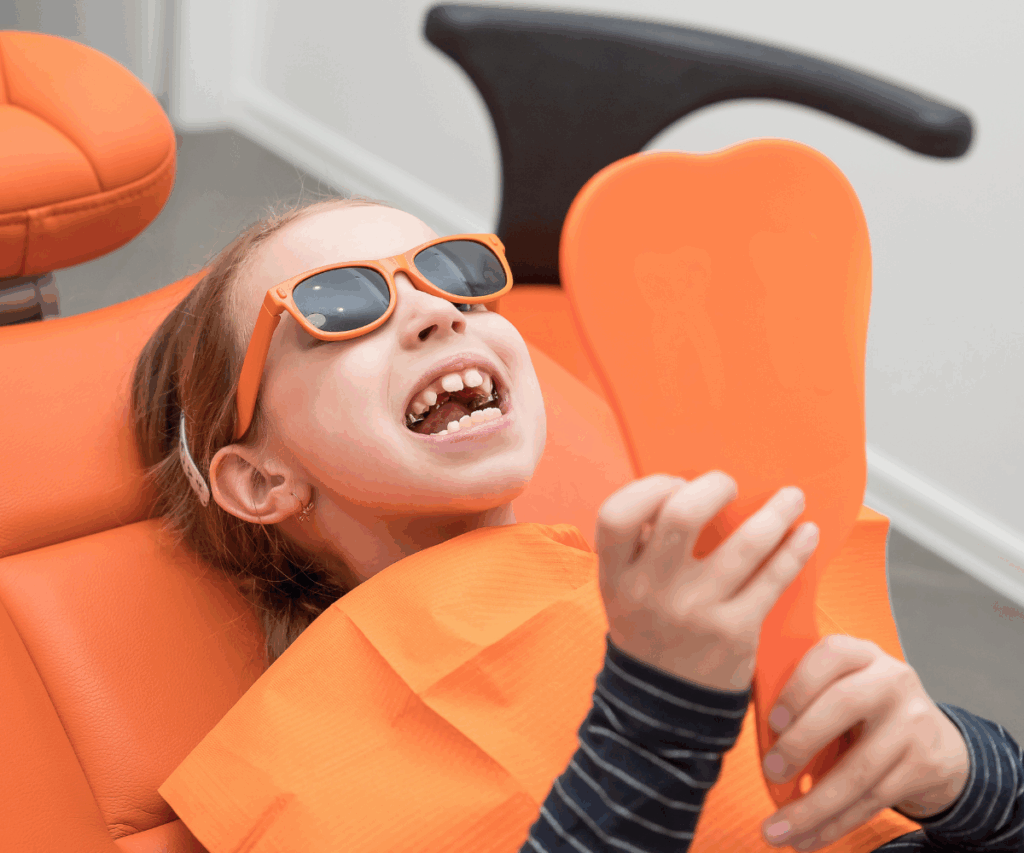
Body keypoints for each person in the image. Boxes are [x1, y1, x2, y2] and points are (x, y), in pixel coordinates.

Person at [133, 196, 1023, 852]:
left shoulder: (680, 589)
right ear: (261, 479)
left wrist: (961, 770)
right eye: (338, 307)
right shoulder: (314, 757)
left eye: (454, 277)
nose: (437, 311)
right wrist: (661, 707)